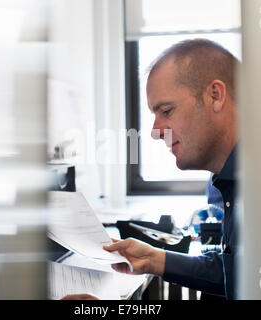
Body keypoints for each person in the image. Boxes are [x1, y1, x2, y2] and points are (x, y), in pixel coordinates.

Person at [64, 38, 239, 300]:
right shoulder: (231, 179)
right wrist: (154, 259)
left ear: (215, 95)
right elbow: (234, 273)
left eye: (166, 110)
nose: (156, 132)